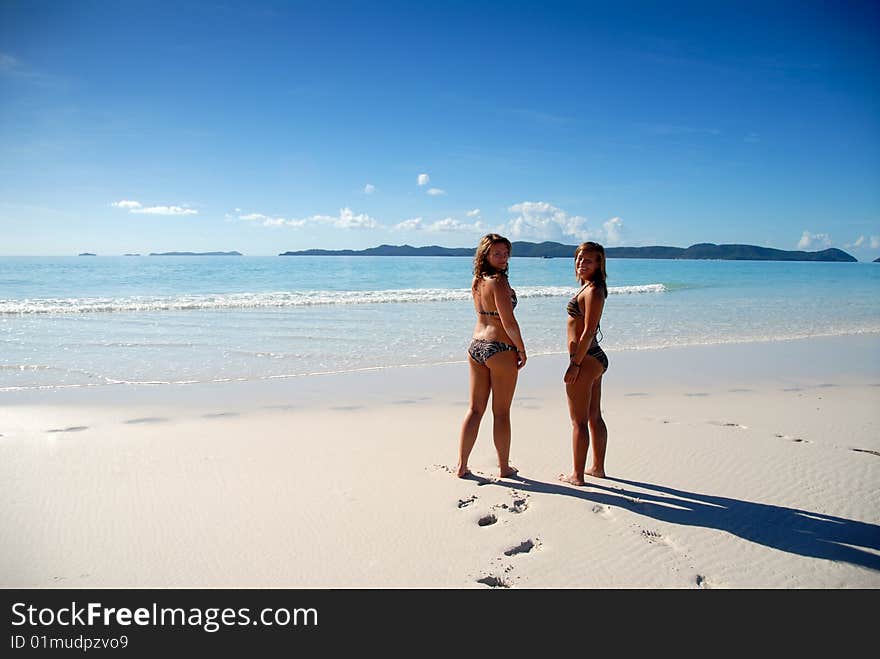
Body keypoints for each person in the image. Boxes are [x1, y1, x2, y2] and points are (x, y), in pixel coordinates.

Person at [456, 234, 527, 479]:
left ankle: (462, 465)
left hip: (476, 345)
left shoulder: (477, 280)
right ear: (485, 254)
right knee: (501, 412)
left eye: (506, 253)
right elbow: (508, 322)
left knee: (475, 410)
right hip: (499, 348)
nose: (503, 257)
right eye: (497, 253)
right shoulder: (498, 282)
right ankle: (504, 467)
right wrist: (521, 348)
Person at [560, 241, 609, 486]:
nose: (581, 263)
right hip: (593, 357)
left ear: (599, 263)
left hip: (586, 358)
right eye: (579, 258)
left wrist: (575, 364)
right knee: (593, 416)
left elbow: (588, 330)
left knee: (579, 421)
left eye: (588, 260)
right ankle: (597, 468)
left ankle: (577, 475)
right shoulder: (590, 287)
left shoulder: (593, 291)